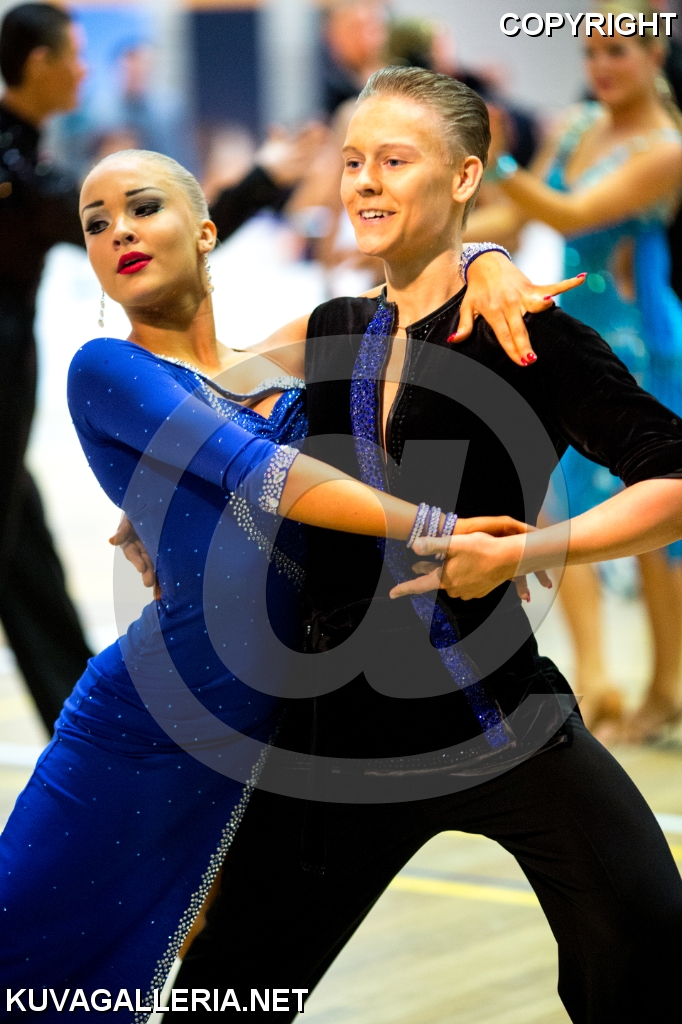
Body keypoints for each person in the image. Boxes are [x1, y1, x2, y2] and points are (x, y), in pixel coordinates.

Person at [167, 69, 682, 1024]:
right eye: (353, 160)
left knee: (647, 932)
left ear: (463, 176)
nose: (364, 180)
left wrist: (527, 553)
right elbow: (192, 398)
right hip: (336, 737)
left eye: (395, 161)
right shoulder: (331, 329)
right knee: (224, 995)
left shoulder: (527, 335)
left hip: (497, 716)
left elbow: (674, 480)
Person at [0, 146, 559, 1013]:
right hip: (145, 727)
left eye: (143, 208)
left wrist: (486, 257)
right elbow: (262, 474)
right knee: (24, 943)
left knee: (174, 969)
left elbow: (405, 310)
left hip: (270, 738)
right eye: (96, 224)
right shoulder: (106, 368)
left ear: (206, 230)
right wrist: (438, 530)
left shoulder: (271, 369)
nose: (119, 233)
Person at [469, 1, 682, 740]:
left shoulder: (668, 146)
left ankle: (666, 684)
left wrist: (496, 159)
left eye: (618, 50)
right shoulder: (578, 126)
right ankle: (597, 682)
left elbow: (573, 214)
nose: (601, 66)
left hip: (642, 340)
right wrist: (442, 230)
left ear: (656, 55)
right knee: (562, 504)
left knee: (654, 511)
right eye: (592, 52)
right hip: (574, 334)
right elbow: (515, 219)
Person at [0, 2, 93, 736]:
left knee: (26, 570)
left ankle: (86, 726)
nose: (83, 71)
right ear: (40, 63)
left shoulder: (22, 162)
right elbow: (137, 232)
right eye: (74, 56)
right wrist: (261, 180)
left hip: (8, 397)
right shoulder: (20, 173)